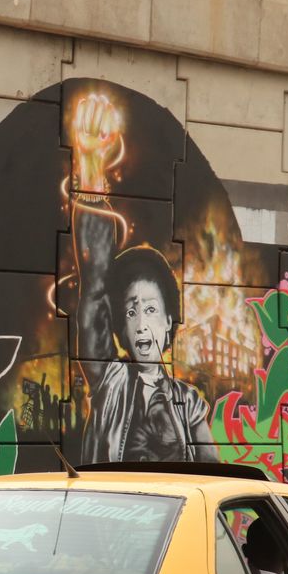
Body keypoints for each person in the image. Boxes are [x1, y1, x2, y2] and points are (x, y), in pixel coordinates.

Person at [69, 92, 217, 464]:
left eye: (150, 309)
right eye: (131, 310)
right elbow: (95, 286)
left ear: (169, 321)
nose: (141, 322)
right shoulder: (109, 381)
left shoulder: (189, 404)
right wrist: (90, 170)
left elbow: (215, 477)